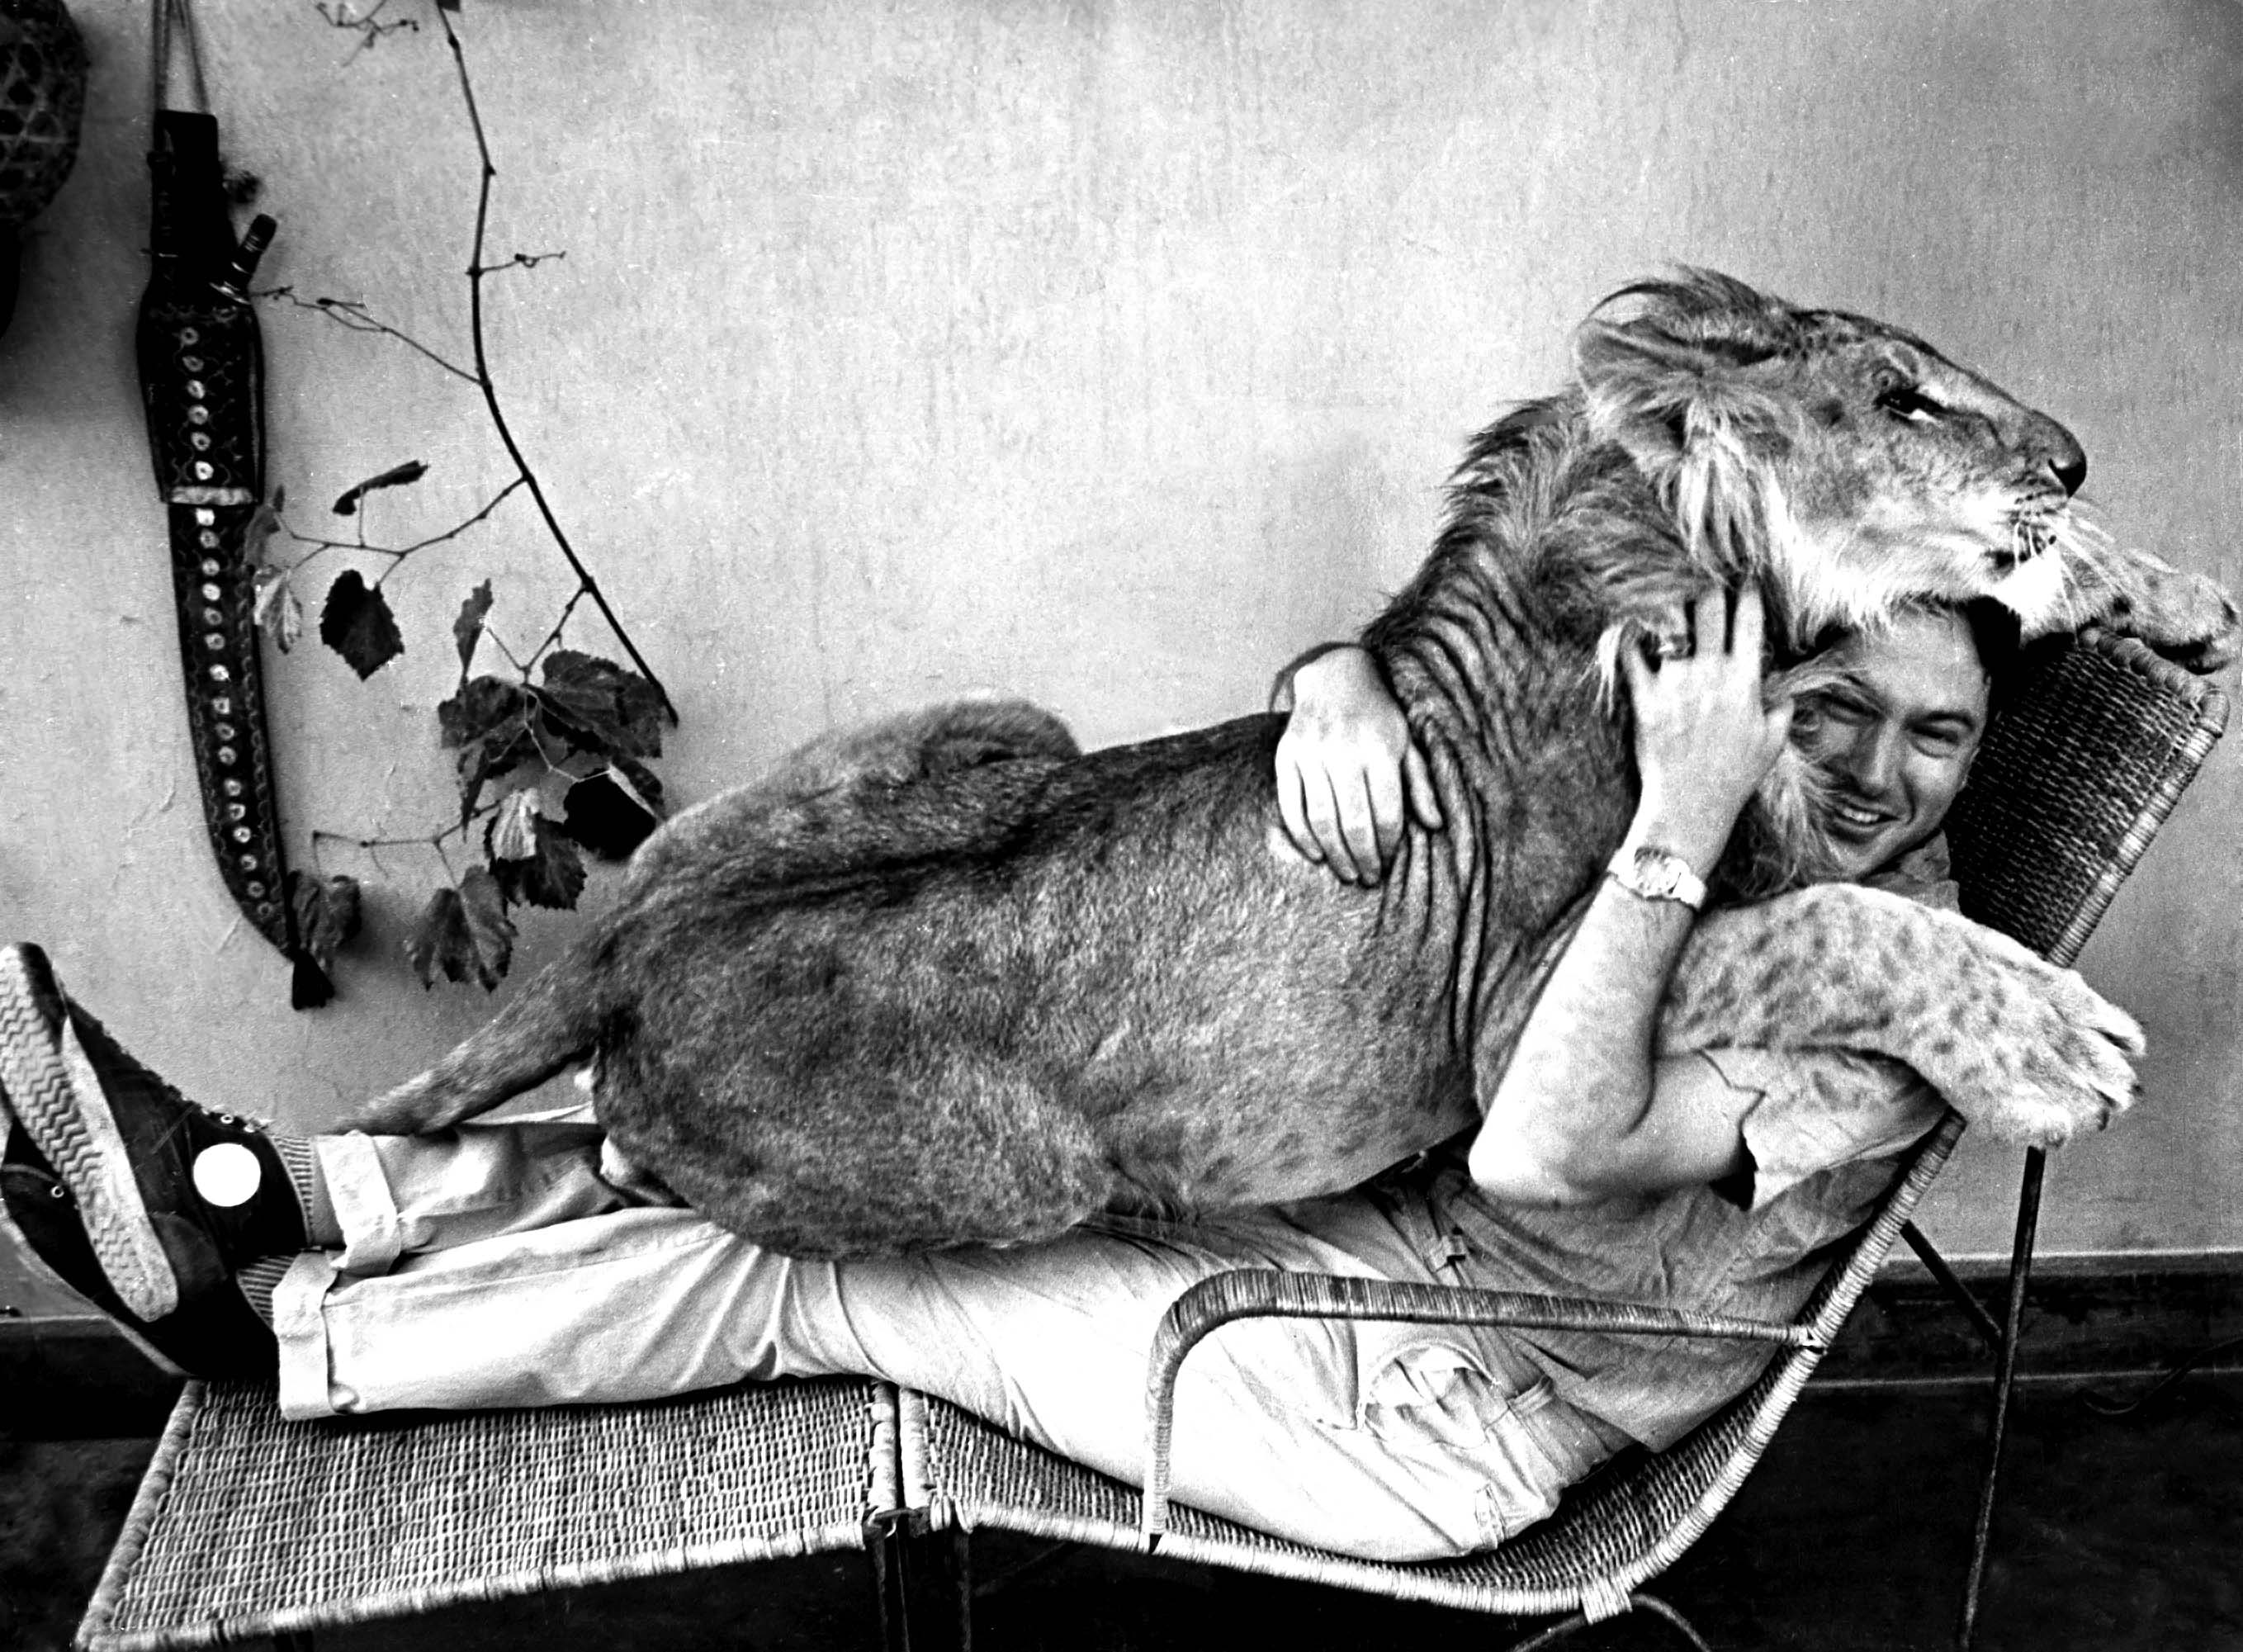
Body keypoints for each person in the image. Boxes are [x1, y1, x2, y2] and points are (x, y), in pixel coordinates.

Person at [0, 589, 1999, 1562]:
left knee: (828, 1255)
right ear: (1756, 689)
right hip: (1344, 1249)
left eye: (1942, 735)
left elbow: (1548, 1153)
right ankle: (290, 1198)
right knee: (853, 1062)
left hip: (1440, 1404)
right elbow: (1451, 652)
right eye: (1837, 705)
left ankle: (287, 1333)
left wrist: (1677, 821)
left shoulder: (1898, 987)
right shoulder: (1690, 806)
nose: (1876, 770)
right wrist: (1344, 678)